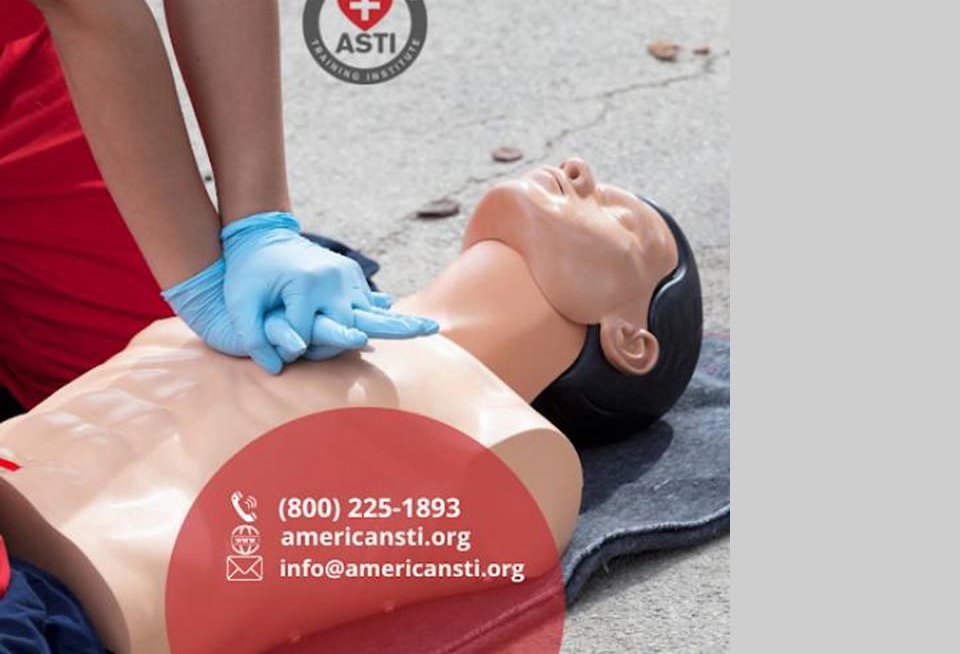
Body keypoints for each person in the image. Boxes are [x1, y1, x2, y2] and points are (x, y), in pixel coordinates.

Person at [0, 159, 703, 652]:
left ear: (630, 340)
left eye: (623, 220)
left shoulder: (516, 458)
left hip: (41, 603)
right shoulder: (285, 280)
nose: (579, 171)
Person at [0, 0, 437, 417]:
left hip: (17, 69)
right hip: (50, 12)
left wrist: (257, 225)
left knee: (170, 391)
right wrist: (198, 285)